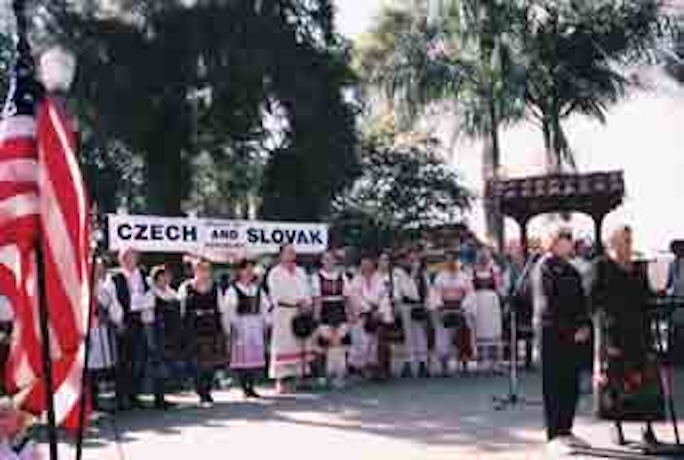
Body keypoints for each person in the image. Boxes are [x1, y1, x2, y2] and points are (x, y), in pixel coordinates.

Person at [591, 226, 661, 446]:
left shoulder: (639, 267)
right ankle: (616, 426)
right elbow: (592, 299)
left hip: (639, 332)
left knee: (644, 384)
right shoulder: (601, 266)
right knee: (616, 384)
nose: (629, 244)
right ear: (613, 242)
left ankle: (647, 428)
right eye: (624, 240)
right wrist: (603, 325)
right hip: (614, 333)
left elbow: (646, 298)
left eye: (630, 240)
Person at [535, 228, 592, 453]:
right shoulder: (545, 267)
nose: (569, 243)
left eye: (570, 239)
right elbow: (547, 304)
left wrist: (584, 325)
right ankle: (554, 434)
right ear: (554, 241)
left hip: (574, 335)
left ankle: (566, 430)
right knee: (554, 385)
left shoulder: (571, 269)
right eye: (564, 239)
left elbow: (582, 301)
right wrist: (570, 330)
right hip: (552, 335)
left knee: (571, 384)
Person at [105, 247, 156, 410]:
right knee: (123, 361)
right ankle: (121, 397)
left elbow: (149, 297)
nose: (131, 260)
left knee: (138, 360)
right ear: (121, 260)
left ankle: (134, 396)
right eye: (127, 257)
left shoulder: (142, 275)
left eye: (134, 257)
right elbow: (112, 301)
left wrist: (146, 315)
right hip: (123, 320)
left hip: (138, 320)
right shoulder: (114, 277)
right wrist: (118, 321)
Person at [179, 258, 229, 406]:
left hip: (212, 327)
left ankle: (207, 390)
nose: (204, 272)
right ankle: (201, 392)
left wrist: (225, 329)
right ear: (195, 270)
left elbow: (221, 309)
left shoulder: (215, 287)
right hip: (193, 328)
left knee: (210, 362)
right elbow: (181, 309)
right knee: (197, 362)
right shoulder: (186, 287)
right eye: (201, 269)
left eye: (207, 269)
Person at [267, 244, 315, 394]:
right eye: (288, 252)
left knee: (301, 343)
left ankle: (298, 378)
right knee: (283, 346)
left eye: (293, 252)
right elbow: (277, 294)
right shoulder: (274, 272)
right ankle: (281, 381)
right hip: (284, 312)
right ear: (280, 255)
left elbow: (307, 289)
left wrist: (307, 302)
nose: (291, 254)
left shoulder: (300, 271)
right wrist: (296, 301)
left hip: (301, 312)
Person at [224, 259, 271, 399]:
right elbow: (229, 310)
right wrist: (232, 327)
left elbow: (264, 308)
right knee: (242, 356)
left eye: (251, 269)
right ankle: (245, 386)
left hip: (255, 324)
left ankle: (251, 386)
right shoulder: (233, 289)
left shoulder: (257, 289)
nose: (249, 272)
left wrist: (266, 324)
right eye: (246, 269)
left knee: (254, 356)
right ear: (240, 271)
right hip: (241, 324)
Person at [311, 251, 351, 388]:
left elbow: (347, 298)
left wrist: (350, 315)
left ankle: (339, 374)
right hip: (325, 310)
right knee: (324, 343)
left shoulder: (342, 276)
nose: (328, 261)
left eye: (331, 259)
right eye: (326, 259)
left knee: (339, 342)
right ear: (322, 261)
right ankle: (323, 374)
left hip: (339, 310)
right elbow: (317, 298)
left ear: (335, 261)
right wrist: (316, 317)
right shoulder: (316, 277)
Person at [431, 251, 473, 375]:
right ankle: (444, 365)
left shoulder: (464, 276)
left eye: (452, 260)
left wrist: (464, 307)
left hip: (460, 307)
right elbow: (435, 293)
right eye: (448, 260)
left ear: (456, 261)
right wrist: (440, 307)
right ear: (445, 262)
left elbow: (470, 292)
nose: (450, 263)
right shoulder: (440, 276)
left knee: (463, 334)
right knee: (443, 336)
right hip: (444, 307)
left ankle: (464, 364)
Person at [88, 258, 122, 410]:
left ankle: (98, 402)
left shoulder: (105, 287)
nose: (99, 271)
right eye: (97, 268)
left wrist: (115, 319)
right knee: (88, 368)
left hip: (101, 329)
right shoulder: (83, 286)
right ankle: (89, 402)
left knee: (100, 369)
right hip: (88, 330)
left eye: (101, 268)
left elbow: (112, 306)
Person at [377, 252, 417, 378]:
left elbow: (410, 292)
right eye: (382, 259)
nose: (384, 262)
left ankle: (408, 364)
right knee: (381, 340)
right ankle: (382, 368)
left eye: (386, 260)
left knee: (406, 337)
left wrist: (397, 303)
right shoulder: (374, 276)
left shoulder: (396, 274)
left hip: (397, 309)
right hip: (378, 311)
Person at [462, 248, 504, 373]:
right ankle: (482, 362)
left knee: (494, 331)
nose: (484, 258)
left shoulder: (494, 270)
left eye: (486, 256)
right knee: (480, 331)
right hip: (478, 302)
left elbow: (499, 286)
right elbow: (469, 288)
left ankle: (495, 362)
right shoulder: (471, 271)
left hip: (492, 302)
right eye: (481, 256)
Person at [347, 255, 386, 379]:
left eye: (368, 264)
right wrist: (369, 309)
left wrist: (379, 311)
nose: (366, 267)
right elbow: (355, 298)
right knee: (360, 342)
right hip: (360, 315)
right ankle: (357, 366)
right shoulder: (356, 280)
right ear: (360, 266)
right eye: (364, 264)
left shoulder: (378, 278)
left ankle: (371, 366)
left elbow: (383, 296)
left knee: (373, 342)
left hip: (375, 315)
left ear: (372, 265)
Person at [150, 265, 185, 395]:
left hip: (172, 333)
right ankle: (159, 396)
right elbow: (148, 317)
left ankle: (166, 392)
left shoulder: (172, 293)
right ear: (156, 279)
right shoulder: (152, 294)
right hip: (158, 332)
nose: (166, 279)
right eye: (162, 277)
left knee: (170, 362)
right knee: (159, 364)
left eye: (168, 276)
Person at [401, 249, 431, 377]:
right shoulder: (401, 273)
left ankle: (422, 364)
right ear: (407, 260)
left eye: (416, 259)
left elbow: (428, 289)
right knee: (409, 336)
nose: (414, 261)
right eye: (411, 259)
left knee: (421, 335)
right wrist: (413, 274)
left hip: (420, 306)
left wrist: (427, 304)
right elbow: (406, 290)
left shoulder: (423, 273)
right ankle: (408, 363)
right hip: (407, 306)